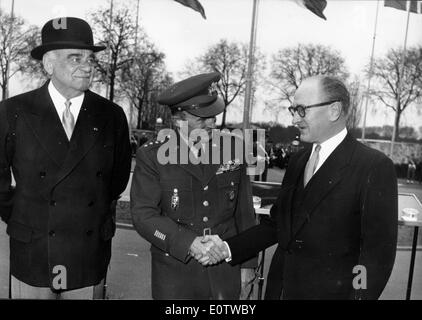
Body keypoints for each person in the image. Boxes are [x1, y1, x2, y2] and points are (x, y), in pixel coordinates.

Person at [198, 76, 398, 300]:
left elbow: (377, 255)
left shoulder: (373, 166)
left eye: (302, 110)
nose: (294, 118)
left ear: (334, 110)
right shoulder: (298, 161)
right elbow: (278, 224)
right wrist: (227, 248)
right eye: (293, 109)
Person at [0, 17, 132, 299]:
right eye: (75, 58)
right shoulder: (13, 111)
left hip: (88, 249)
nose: (87, 66)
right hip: (33, 248)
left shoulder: (111, 115)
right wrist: (26, 215)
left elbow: (117, 180)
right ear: (49, 64)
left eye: (90, 58)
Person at [130, 72, 257, 300]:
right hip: (176, 272)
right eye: (201, 118)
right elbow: (143, 215)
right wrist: (189, 243)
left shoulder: (233, 148)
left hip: (225, 270)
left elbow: (244, 212)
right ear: (178, 121)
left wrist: (248, 265)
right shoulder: (152, 155)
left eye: (213, 116)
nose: (211, 123)